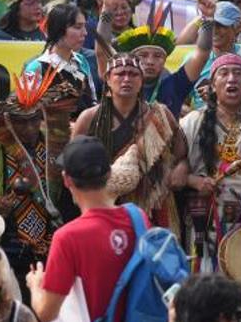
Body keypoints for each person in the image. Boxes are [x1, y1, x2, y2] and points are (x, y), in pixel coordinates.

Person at [27, 136, 148, 322]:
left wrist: (35, 285)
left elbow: (47, 313)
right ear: (109, 174)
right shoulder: (137, 218)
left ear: (66, 180)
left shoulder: (68, 237)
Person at [179, 53, 241, 322]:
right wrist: (195, 181)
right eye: (224, 74)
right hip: (204, 227)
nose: (232, 79)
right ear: (213, 84)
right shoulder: (191, 124)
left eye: (239, 74)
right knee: (206, 313)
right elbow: (173, 176)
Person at [0, 67, 76, 302]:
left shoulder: (56, 139)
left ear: (43, 116)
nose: (28, 128)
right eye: (20, 122)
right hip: (8, 239)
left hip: (52, 237)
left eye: (33, 120)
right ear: (7, 119)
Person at [74, 54, 188, 232]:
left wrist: (182, 167)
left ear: (141, 80)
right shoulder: (90, 118)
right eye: (120, 74)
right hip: (106, 205)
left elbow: (182, 153)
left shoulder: (161, 115)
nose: (126, 79)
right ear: (108, 80)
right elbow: (73, 165)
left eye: (133, 74)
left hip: (155, 206)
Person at [100, 0, 215, 117]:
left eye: (157, 56)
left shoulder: (175, 85)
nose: (150, 62)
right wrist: (107, 9)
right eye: (143, 56)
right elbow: (102, 48)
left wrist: (207, 18)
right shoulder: (119, 82)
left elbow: (203, 52)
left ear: (165, 60)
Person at [23, 1, 98, 114]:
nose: (85, 33)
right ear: (58, 29)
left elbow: (93, 102)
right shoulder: (37, 68)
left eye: (84, 27)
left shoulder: (81, 61)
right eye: (78, 27)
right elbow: (25, 112)